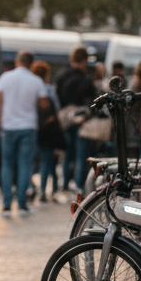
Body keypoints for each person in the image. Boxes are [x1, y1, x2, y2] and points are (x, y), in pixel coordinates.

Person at [0, 50, 46, 218]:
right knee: (25, 165)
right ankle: (22, 204)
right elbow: (44, 104)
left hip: (8, 126)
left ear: (17, 61)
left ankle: (7, 205)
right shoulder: (36, 81)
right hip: (28, 126)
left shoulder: (5, 77)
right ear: (31, 63)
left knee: (7, 164)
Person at [55, 46, 97, 191]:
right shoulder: (85, 78)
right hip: (82, 119)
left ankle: (65, 184)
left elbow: (57, 98)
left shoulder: (62, 76)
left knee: (67, 153)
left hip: (66, 118)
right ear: (84, 60)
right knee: (81, 154)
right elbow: (93, 99)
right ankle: (79, 184)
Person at [32, 60, 64, 202]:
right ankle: (45, 191)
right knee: (47, 160)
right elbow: (56, 109)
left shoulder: (31, 87)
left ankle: (31, 188)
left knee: (28, 161)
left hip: (32, 127)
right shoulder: (48, 89)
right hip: (47, 129)